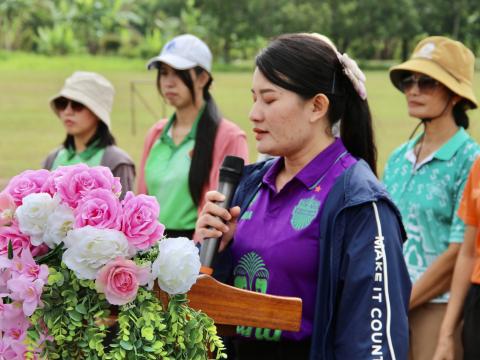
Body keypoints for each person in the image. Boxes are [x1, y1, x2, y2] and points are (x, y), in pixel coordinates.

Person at [196, 33, 410, 360]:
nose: (254, 113)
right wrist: (215, 251)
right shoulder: (248, 186)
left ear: (317, 106)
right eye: (254, 98)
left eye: (269, 100)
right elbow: (214, 306)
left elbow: (372, 341)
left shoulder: (361, 203)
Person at [383, 36, 480, 360]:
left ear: (454, 95)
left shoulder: (470, 159)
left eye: (427, 83)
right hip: (386, 306)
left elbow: (459, 251)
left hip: (438, 310)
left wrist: (399, 300)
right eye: (409, 81)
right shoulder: (398, 157)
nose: (413, 89)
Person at [137, 34, 249, 239]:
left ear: (203, 78)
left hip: (197, 252)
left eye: (178, 73)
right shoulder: (155, 134)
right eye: (163, 73)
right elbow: (141, 200)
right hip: (150, 250)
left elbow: (226, 212)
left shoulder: (229, 137)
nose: (168, 82)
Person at [43, 71, 135, 198]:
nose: (67, 111)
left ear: (97, 112)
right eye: (62, 104)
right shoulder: (53, 158)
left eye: (77, 104)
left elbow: (124, 215)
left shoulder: (117, 162)